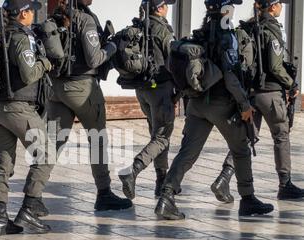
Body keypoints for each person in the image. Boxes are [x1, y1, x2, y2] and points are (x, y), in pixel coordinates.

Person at [155, 0, 275, 220]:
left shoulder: (199, 34)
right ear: (226, 11)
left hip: (196, 104)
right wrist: (245, 105)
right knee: (241, 151)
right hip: (222, 105)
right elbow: (231, 77)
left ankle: (166, 197)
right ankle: (247, 200)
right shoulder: (227, 37)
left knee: (187, 153)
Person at [211, 0, 303, 203]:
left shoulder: (248, 27)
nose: (282, 7)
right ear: (272, 6)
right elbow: (276, 66)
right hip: (270, 93)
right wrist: (292, 85)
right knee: (281, 136)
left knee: (245, 139)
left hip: (250, 93)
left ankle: (224, 178)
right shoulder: (272, 29)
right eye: (279, 3)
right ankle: (285, 184)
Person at [47, 0, 133, 212]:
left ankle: (31, 198)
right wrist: (112, 46)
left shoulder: (55, 16)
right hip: (83, 88)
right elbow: (94, 59)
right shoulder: (85, 19)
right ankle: (104, 193)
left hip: (57, 88)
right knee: (97, 139)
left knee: (50, 142)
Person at [0, 0, 54, 235]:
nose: (34, 15)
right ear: (23, 13)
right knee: (46, 154)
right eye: (31, 11)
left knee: (2, 164)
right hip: (18, 108)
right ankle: (28, 210)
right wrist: (45, 63)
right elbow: (28, 74)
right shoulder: (21, 38)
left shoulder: (0, 35)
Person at [119, 0, 178, 200]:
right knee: (162, 137)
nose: (168, 8)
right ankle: (133, 170)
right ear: (160, 8)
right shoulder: (161, 30)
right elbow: (173, 61)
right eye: (166, 5)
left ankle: (161, 181)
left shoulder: (139, 26)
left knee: (158, 137)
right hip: (160, 90)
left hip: (143, 90)